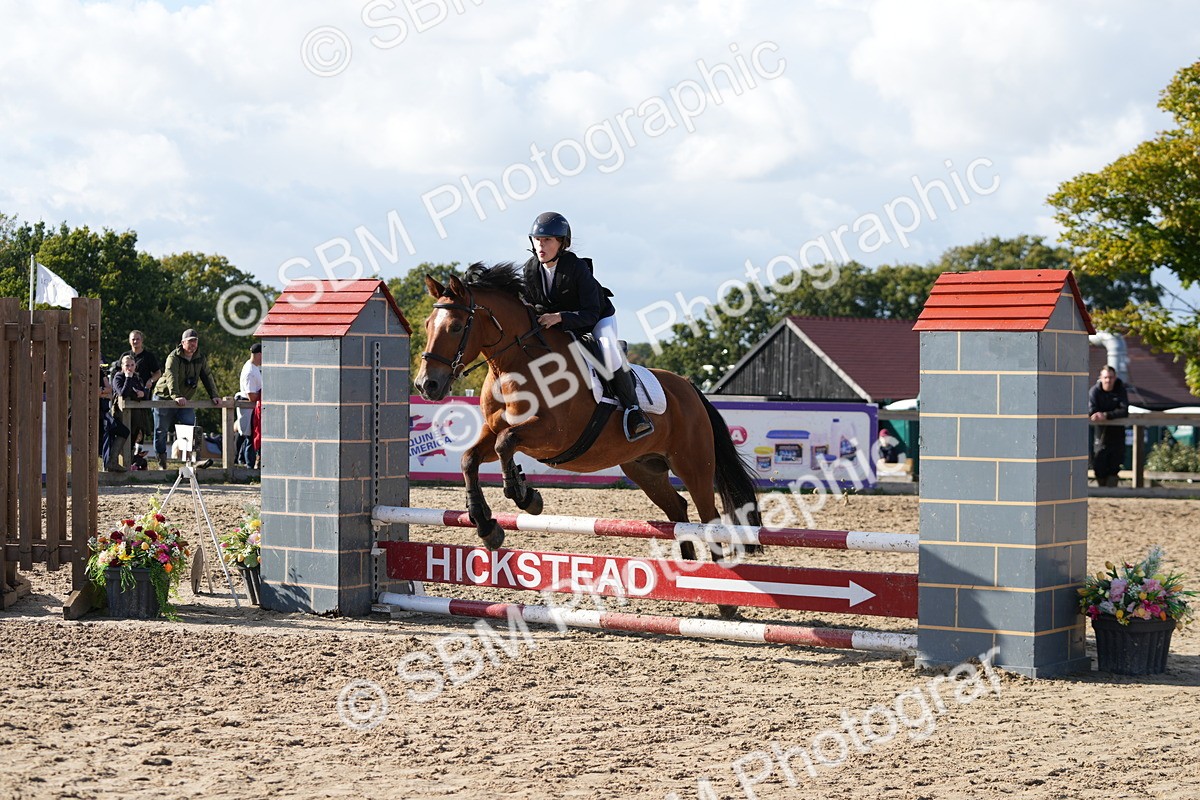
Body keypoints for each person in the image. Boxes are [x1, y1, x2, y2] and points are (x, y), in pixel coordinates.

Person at [520, 211, 653, 441]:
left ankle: (634, 411)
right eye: (538, 239)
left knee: (608, 351)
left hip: (597, 318)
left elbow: (591, 313)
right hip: (560, 323)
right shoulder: (530, 269)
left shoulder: (576, 268)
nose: (541, 245)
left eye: (548, 240)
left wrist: (559, 317)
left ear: (562, 243)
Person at [153, 328, 222, 470]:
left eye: (195, 341)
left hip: (184, 399)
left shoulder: (200, 358)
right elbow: (171, 377)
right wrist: (176, 396)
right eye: (190, 341)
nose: (193, 345)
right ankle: (161, 460)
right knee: (161, 431)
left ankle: (196, 459)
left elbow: (207, 377)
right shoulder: (173, 358)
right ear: (183, 343)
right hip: (164, 397)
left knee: (192, 427)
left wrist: (214, 395)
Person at [110, 330, 161, 448]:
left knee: (140, 425)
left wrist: (150, 381)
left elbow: (158, 372)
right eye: (133, 339)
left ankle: (137, 455)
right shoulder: (125, 356)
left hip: (141, 393)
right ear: (129, 341)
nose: (135, 341)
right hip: (126, 393)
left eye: (138, 339)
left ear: (142, 340)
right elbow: (117, 373)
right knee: (125, 426)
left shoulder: (148, 356)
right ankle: (124, 453)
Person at [1089, 365, 1129, 487]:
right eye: (1106, 377)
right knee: (1099, 463)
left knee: (1115, 463)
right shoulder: (1094, 391)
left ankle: (1111, 490)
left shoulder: (1120, 390)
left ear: (1115, 378)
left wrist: (1106, 415)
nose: (1108, 380)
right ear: (1101, 378)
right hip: (1099, 434)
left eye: (1111, 377)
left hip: (1117, 433)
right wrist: (1098, 415)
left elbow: (1124, 411)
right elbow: (1091, 411)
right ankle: (1102, 489)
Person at [236, 342, 263, 468]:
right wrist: (265, 395)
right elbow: (252, 396)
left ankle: (246, 462)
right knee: (250, 437)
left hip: (252, 407)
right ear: (259, 354)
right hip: (248, 407)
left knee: (249, 437)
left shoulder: (254, 367)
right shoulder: (250, 371)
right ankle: (249, 467)